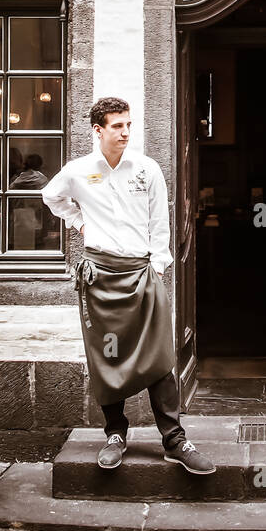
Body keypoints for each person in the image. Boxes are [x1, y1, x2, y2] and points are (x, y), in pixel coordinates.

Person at [40, 97, 215, 475]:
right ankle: (115, 435)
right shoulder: (78, 170)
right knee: (108, 357)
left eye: (128, 125)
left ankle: (174, 440)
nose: (125, 132)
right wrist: (78, 222)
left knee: (159, 357)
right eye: (117, 126)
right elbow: (50, 196)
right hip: (100, 276)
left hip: (142, 271)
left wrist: (159, 265)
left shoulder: (147, 168)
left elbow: (160, 220)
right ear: (98, 130)